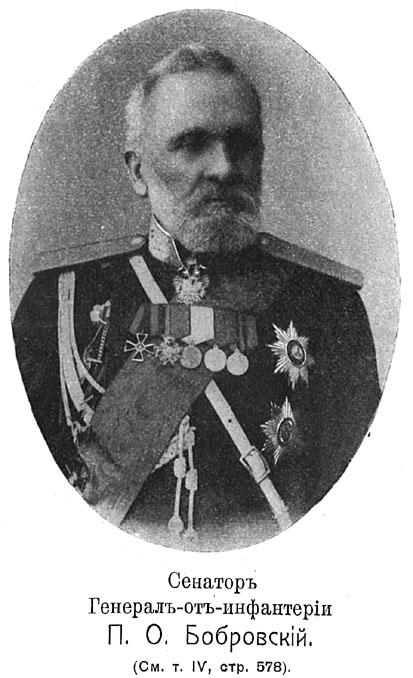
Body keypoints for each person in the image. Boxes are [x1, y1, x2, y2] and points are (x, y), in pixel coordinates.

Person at [13, 44, 381, 550]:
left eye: (241, 143)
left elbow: (361, 511)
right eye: (191, 144)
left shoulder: (327, 306)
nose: (224, 167)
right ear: (138, 172)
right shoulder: (62, 301)